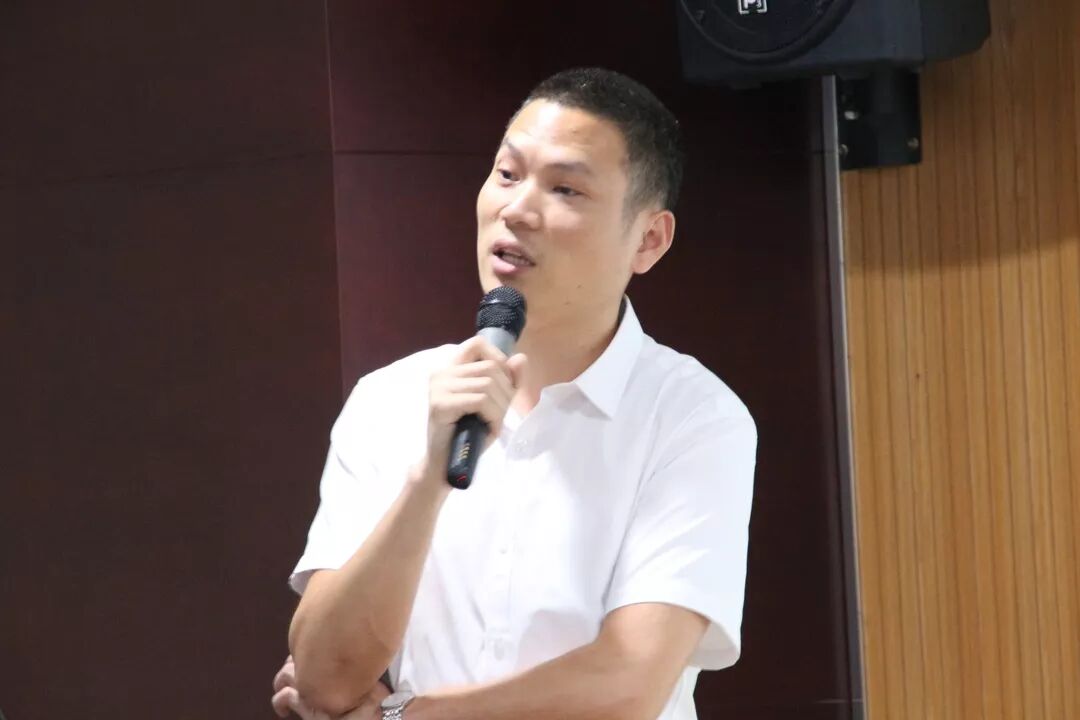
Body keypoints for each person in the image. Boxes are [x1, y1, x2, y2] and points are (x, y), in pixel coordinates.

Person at [271, 67, 757, 720]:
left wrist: (402, 716)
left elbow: (626, 686)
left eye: (565, 188)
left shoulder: (693, 417)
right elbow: (322, 680)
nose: (517, 209)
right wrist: (429, 479)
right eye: (507, 173)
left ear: (648, 240)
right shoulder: (389, 400)